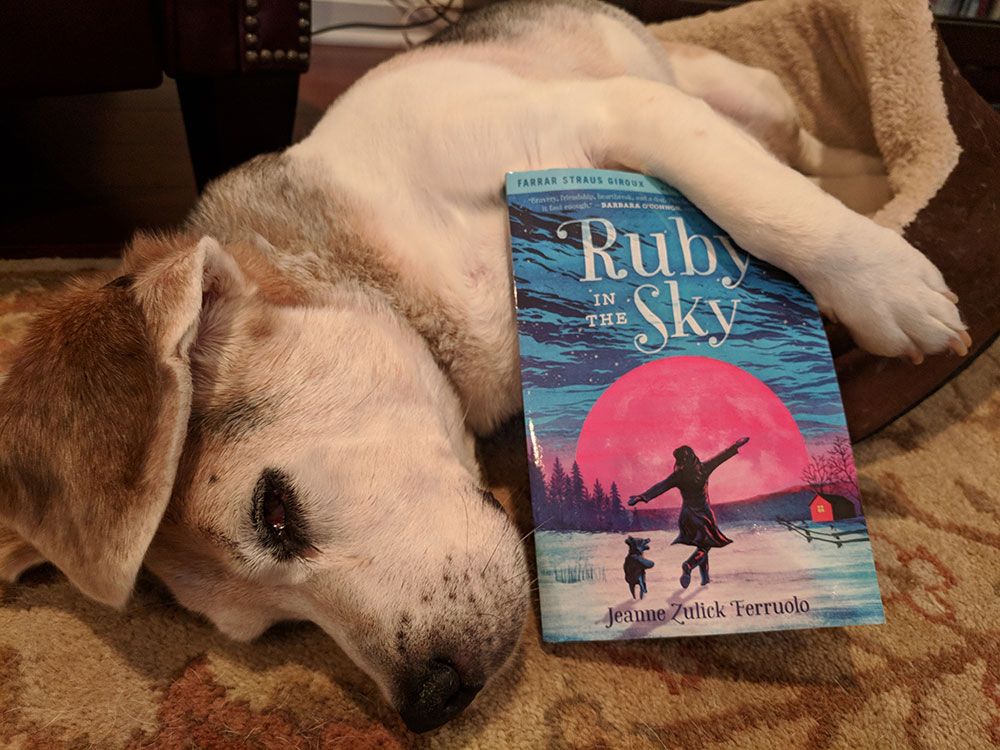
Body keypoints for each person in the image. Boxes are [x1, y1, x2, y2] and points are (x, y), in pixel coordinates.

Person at [629, 437, 749, 588]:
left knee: (703, 545)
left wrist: (642, 497)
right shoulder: (704, 468)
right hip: (704, 516)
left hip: (687, 517)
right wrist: (735, 446)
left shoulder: (678, 476)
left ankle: (705, 579)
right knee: (705, 547)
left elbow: (660, 487)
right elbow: (721, 457)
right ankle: (689, 565)